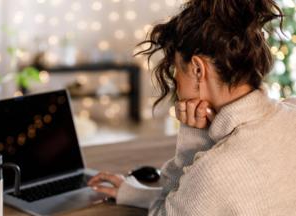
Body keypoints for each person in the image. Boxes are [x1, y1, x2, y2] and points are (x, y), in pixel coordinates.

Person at [88, 0, 296, 215]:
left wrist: (193, 139)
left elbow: (166, 210)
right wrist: (135, 193)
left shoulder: (215, 173)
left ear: (198, 69)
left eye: (176, 68)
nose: (175, 79)